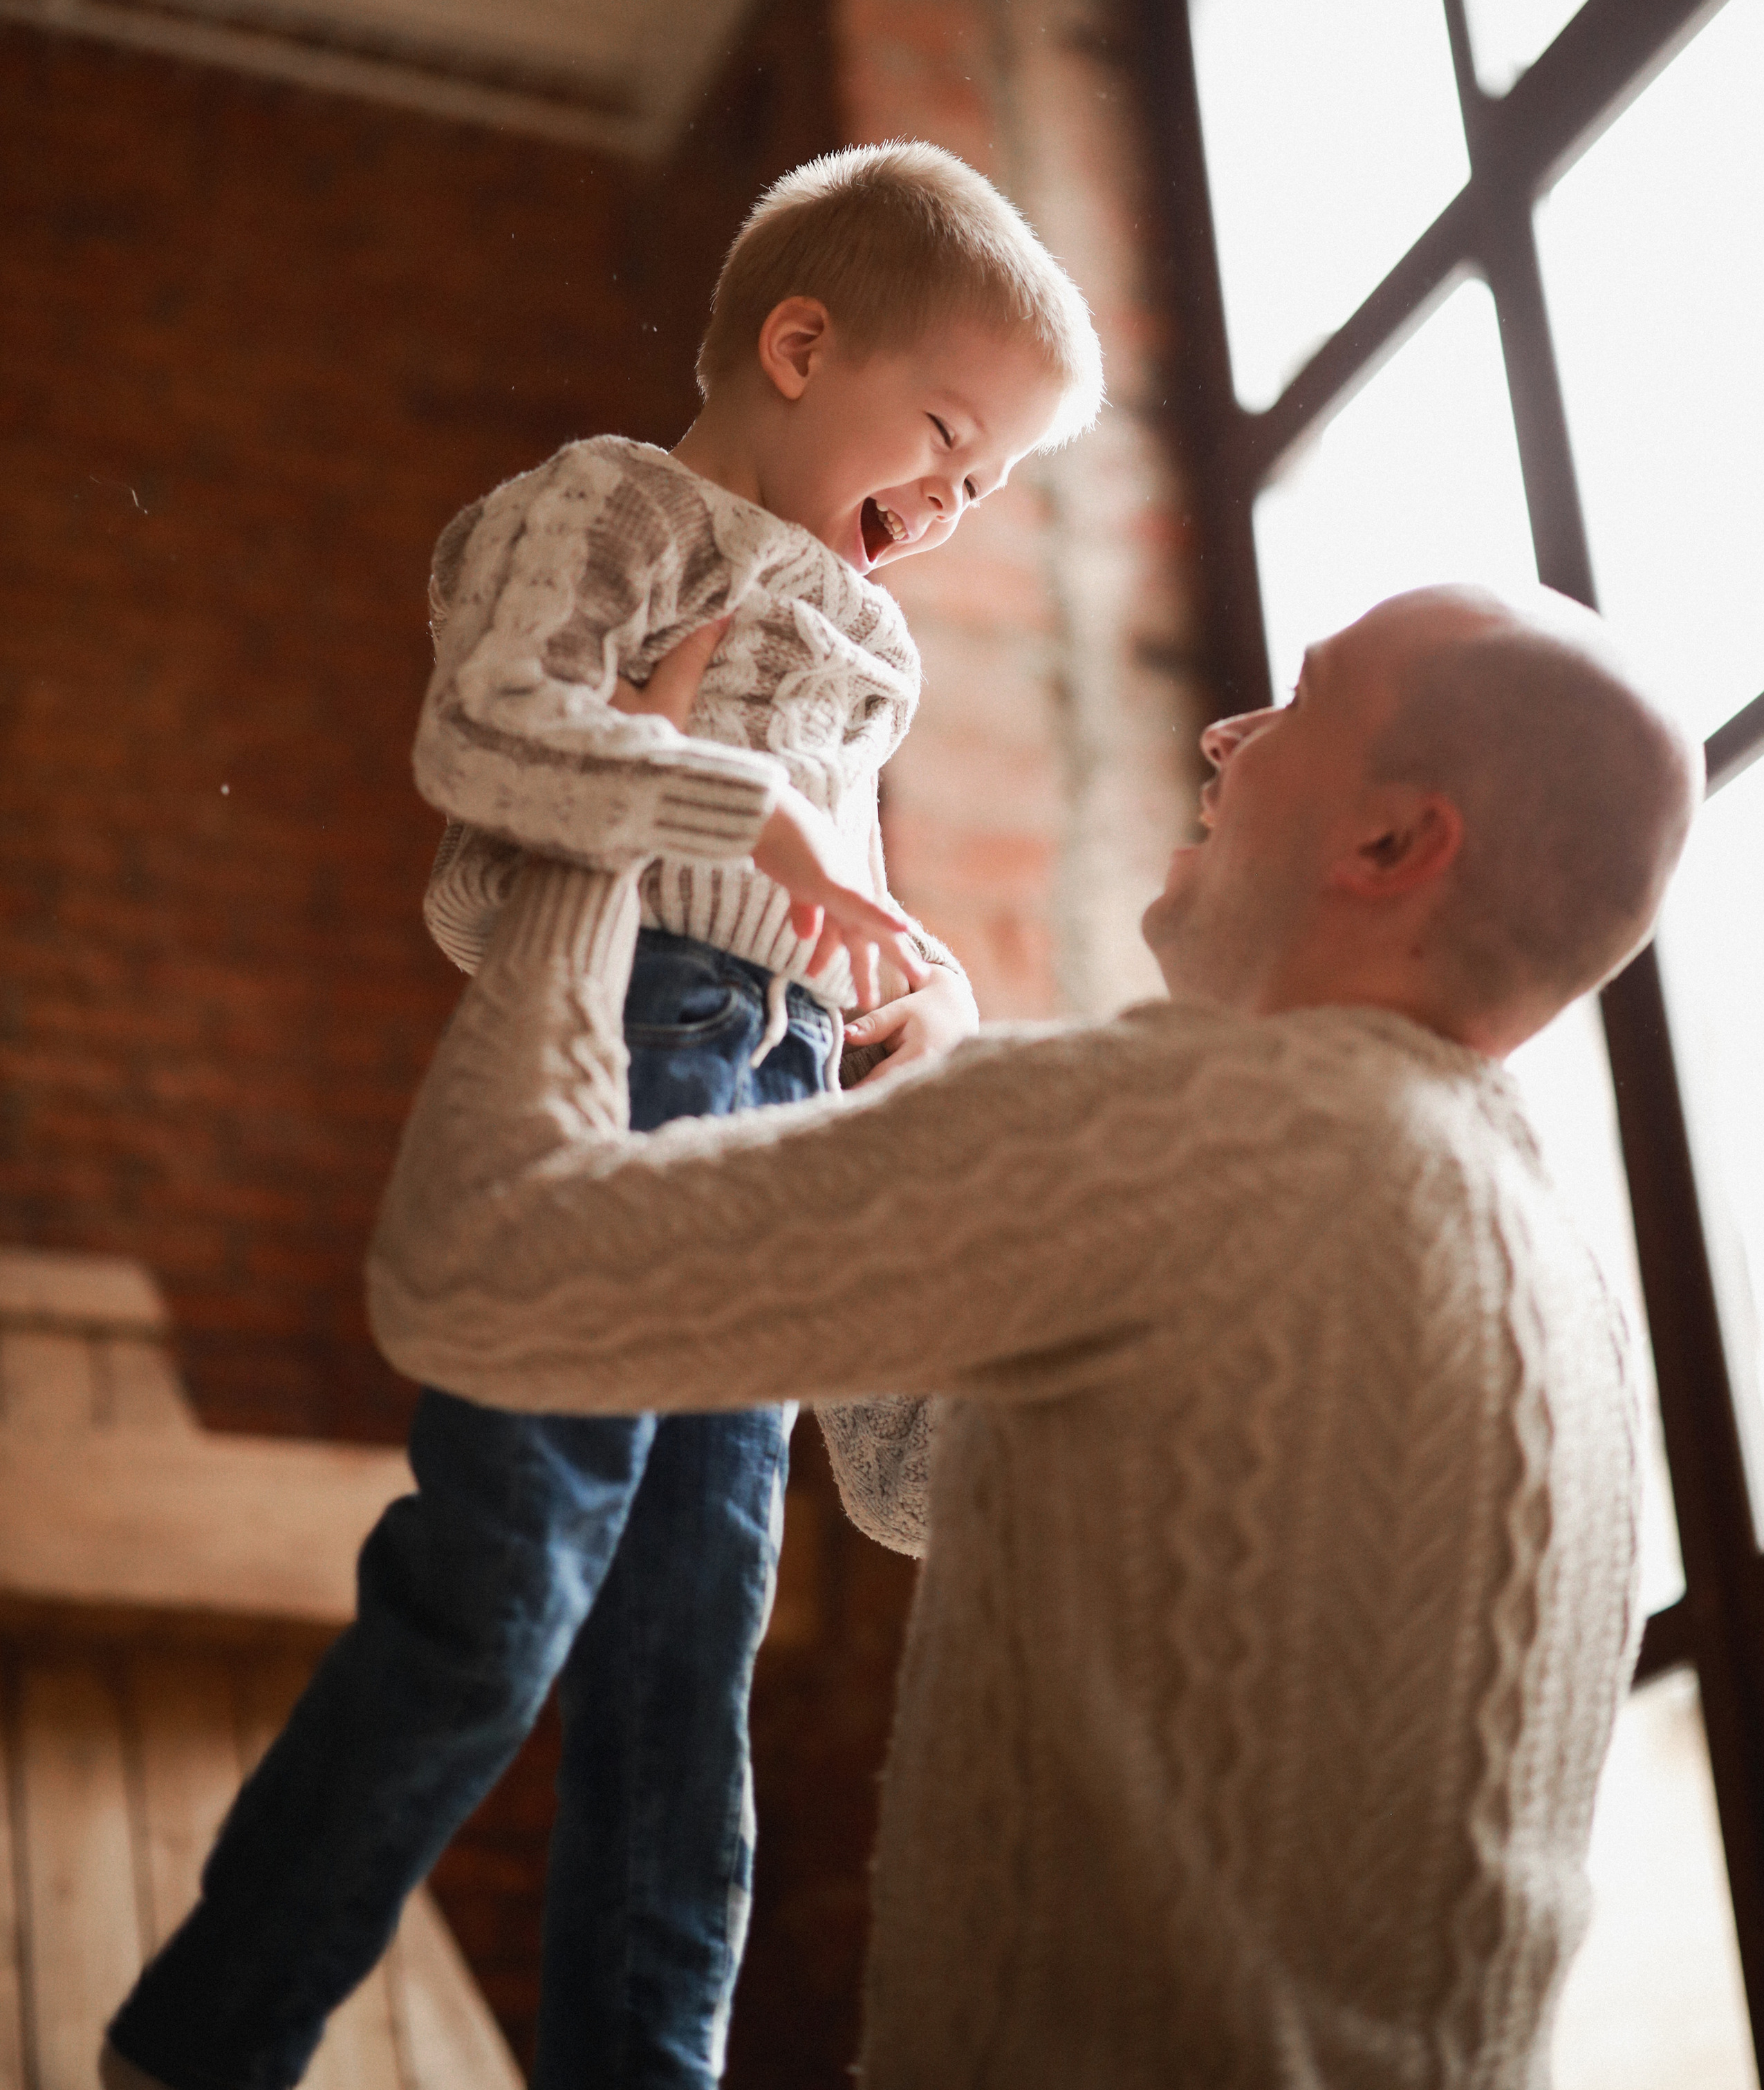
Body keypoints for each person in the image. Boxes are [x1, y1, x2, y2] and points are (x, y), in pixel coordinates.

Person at [364, 581, 1702, 2090]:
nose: (1222, 733)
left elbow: (468, 1266)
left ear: (1388, 844)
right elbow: (931, 1483)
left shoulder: (1213, 1124)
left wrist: (599, 830)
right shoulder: (1558, 1296)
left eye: (1300, 704)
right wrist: (934, 1115)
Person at [103, 141, 1103, 2090]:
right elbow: (481, 733)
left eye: (996, 488)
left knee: (687, 1677)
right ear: (801, 346)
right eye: (950, 438)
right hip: (625, 1060)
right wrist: (743, 807)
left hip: (784, 1113)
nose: (960, 504)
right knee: (501, 1587)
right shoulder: (613, 506)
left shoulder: (864, 646)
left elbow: (851, 912)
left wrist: (925, 997)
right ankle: (208, 2040)